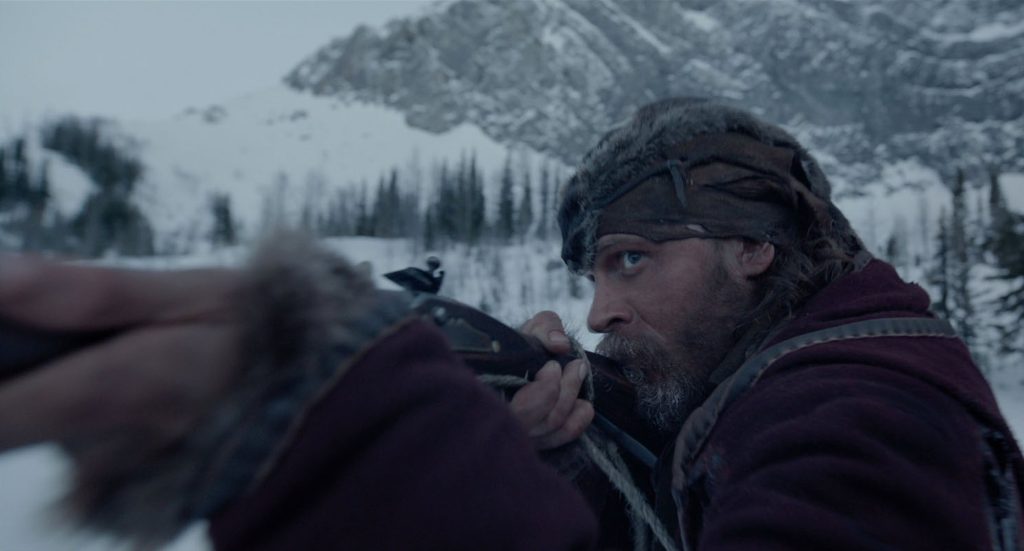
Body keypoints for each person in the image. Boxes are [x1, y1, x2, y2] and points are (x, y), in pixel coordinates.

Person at [0, 97, 1021, 550]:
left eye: (630, 260)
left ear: (753, 244)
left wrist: (370, 445)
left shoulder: (855, 420)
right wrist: (562, 456)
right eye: (593, 272)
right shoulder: (780, 372)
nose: (598, 309)